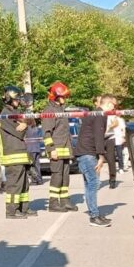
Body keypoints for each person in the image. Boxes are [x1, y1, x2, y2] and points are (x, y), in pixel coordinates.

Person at [0, 85, 36, 219]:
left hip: (20, 153)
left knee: (24, 183)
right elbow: (19, 131)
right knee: (15, 184)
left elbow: (28, 124)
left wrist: (26, 121)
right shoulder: (5, 114)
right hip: (12, 155)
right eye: (16, 99)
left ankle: (23, 208)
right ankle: (11, 211)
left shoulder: (14, 112)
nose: (18, 101)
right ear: (9, 98)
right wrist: (24, 124)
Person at [76, 94, 113, 227]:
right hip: (88, 153)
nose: (114, 108)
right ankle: (94, 216)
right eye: (113, 105)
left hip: (85, 152)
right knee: (93, 183)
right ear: (108, 104)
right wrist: (101, 156)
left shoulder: (94, 114)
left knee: (89, 184)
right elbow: (98, 136)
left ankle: (94, 213)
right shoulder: (99, 115)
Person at [43, 81, 78, 212]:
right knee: (56, 176)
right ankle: (53, 203)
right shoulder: (49, 110)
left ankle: (64, 201)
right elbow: (46, 132)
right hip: (56, 150)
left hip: (65, 149)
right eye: (63, 96)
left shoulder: (60, 110)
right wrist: (51, 149)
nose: (65, 99)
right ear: (56, 96)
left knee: (65, 176)